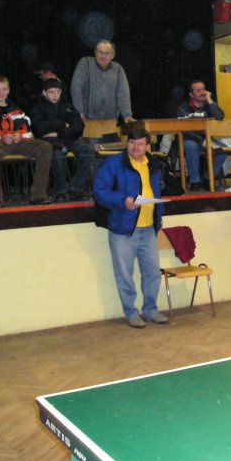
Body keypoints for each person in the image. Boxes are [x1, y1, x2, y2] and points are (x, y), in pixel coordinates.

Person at [93, 127, 169, 329]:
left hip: (149, 229)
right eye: (132, 143)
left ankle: (150, 310)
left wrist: (158, 218)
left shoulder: (154, 164)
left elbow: (156, 192)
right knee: (124, 275)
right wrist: (122, 201)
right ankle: (131, 313)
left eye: (140, 143)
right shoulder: (113, 164)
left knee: (153, 273)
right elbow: (99, 192)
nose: (136, 147)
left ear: (148, 146)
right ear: (126, 144)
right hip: (122, 230)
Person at [0, 75, 53, 207]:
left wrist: (19, 136)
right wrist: (2, 137)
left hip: (18, 143)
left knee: (45, 146)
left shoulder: (17, 110)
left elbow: (28, 132)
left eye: (4, 89)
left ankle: (39, 194)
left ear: (9, 90)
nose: (1, 93)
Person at [30, 78, 95, 201]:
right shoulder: (37, 108)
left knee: (88, 151)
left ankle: (76, 188)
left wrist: (58, 132)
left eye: (57, 92)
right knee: (57, 156)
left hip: (69, 139)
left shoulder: (68, 107)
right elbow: (39, 128)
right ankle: (61, 192)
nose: (54, 95)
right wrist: (63, 124)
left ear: (60, 91)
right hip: (51, 143)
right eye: (51, 92)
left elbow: (79, 127)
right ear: (44, 93)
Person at [174, 79, 227, 191]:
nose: (202, 92)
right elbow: (185, 130)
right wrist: (202, 141)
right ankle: (195, 182)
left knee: (223, 149)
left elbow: (220, 116)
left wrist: (209, 100)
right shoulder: (183, 108)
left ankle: (208, 179)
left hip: (207, 138)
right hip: (188, 139)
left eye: (203, 89)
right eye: (198, 91)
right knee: (192, 146)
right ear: (191, 94)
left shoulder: (209, 105)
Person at [71, 40, 135, 123]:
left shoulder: (118, 69)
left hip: (111, 122)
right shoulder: (85, 63)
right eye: (100, 52)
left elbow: (123, 95)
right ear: (95, 52)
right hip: (86, 121)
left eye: (107, 53)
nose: (103, 56)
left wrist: (127, 116)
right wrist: (79, 112)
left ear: (112, 55)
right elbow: (76, 89)